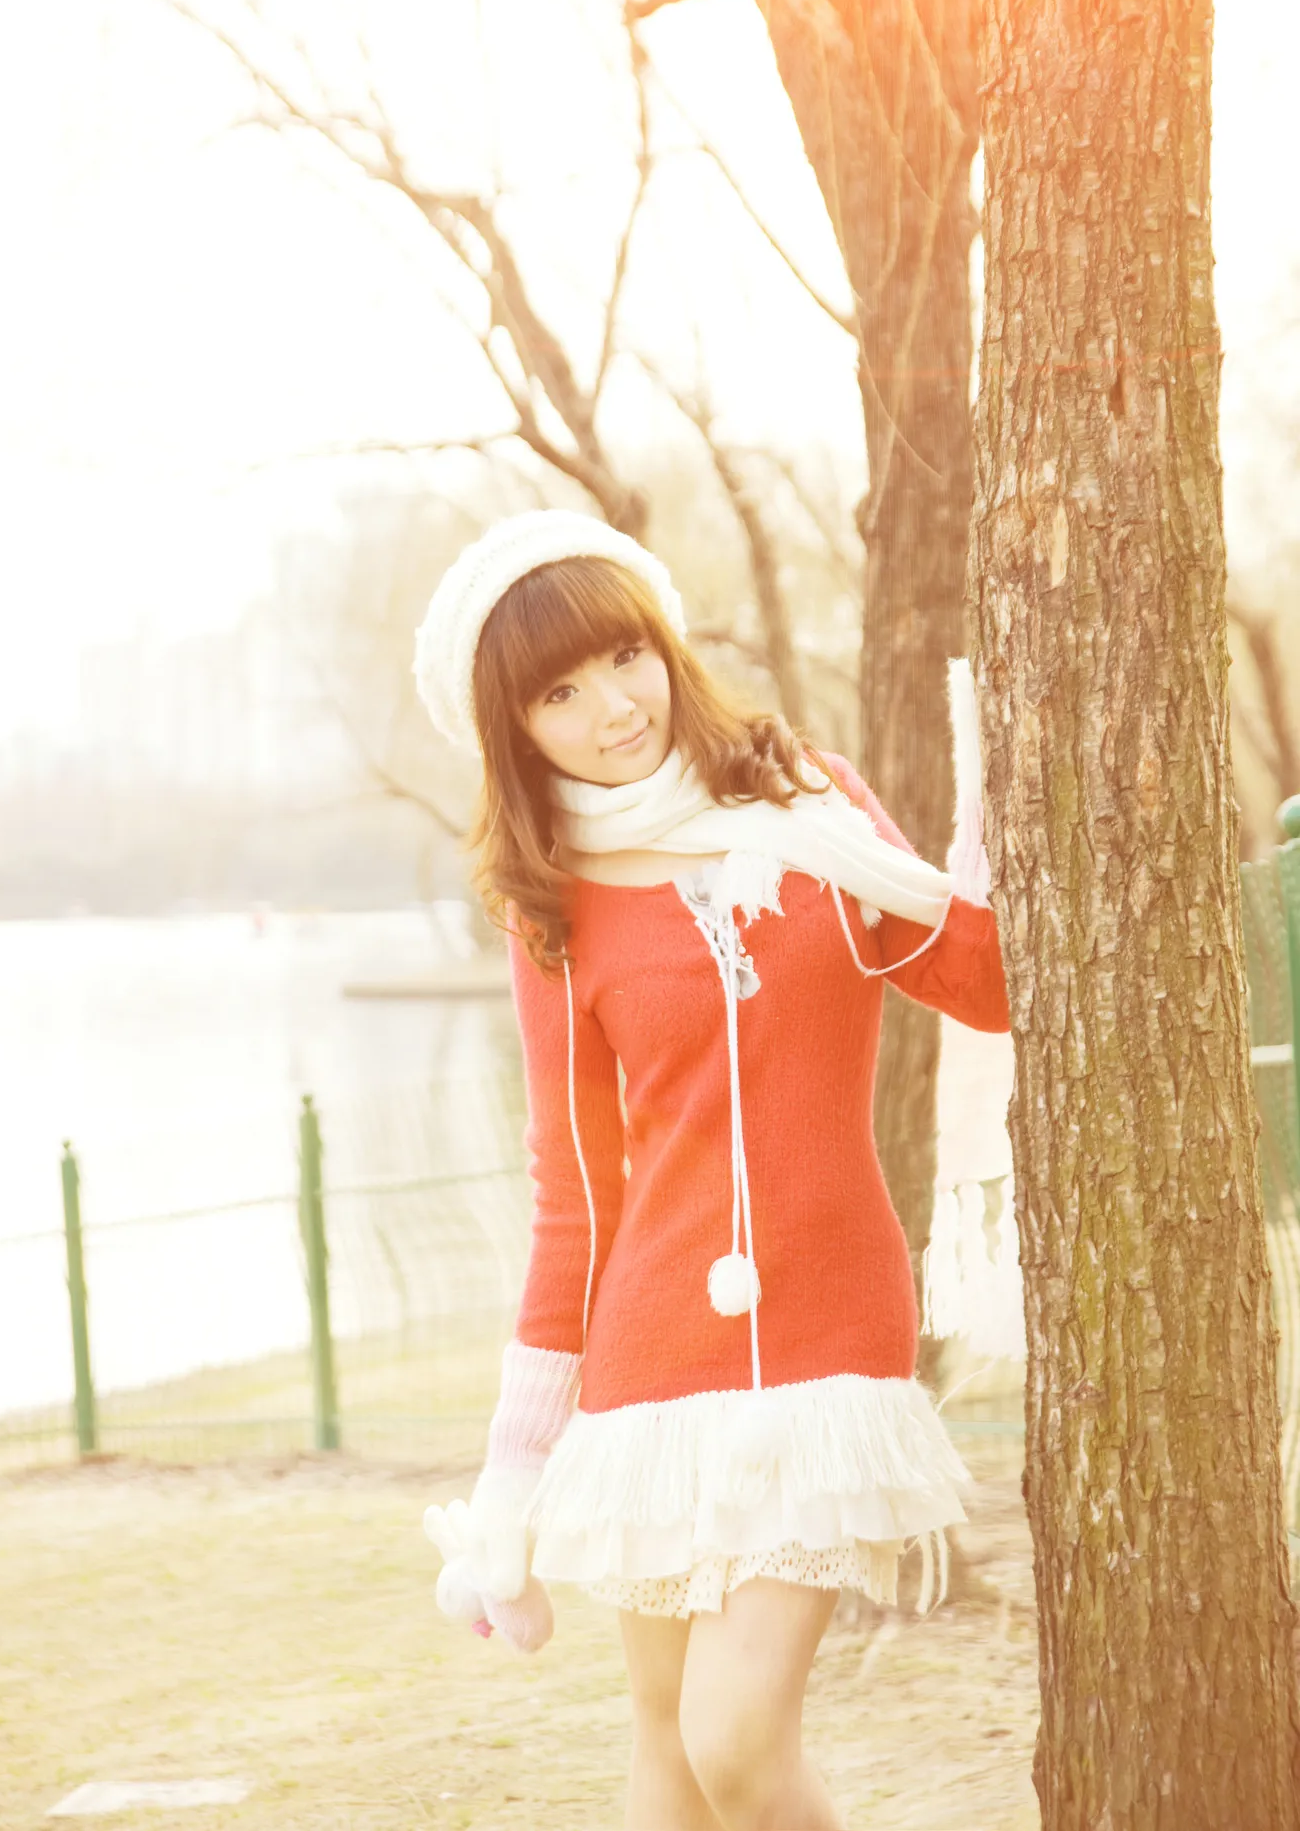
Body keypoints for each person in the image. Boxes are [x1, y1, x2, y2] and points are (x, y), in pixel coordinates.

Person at [414, 509, 1010, 1831]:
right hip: (650, 1363)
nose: (611, 707)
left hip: (828, 1334)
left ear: (664, 643)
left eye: (623, 656)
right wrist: (515, 1463)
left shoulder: (811, 804)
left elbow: (981, 980)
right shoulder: (551, 900)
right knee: (665, 1744)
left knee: (733, 1738)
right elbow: (574, 1193)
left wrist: (990, 806)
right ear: (516, 730)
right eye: (558, 694)